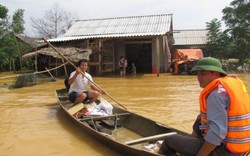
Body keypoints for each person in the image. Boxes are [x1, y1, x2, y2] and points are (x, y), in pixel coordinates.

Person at [158, 57, 250, 156]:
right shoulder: (228, 89)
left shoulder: (215, 95)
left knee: (170, 141)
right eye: (198, 74)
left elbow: (217, 133)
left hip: (223, 150)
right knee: (200, 119)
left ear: (216, 74)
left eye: (203, 74)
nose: (198, 77)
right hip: (240, 149)